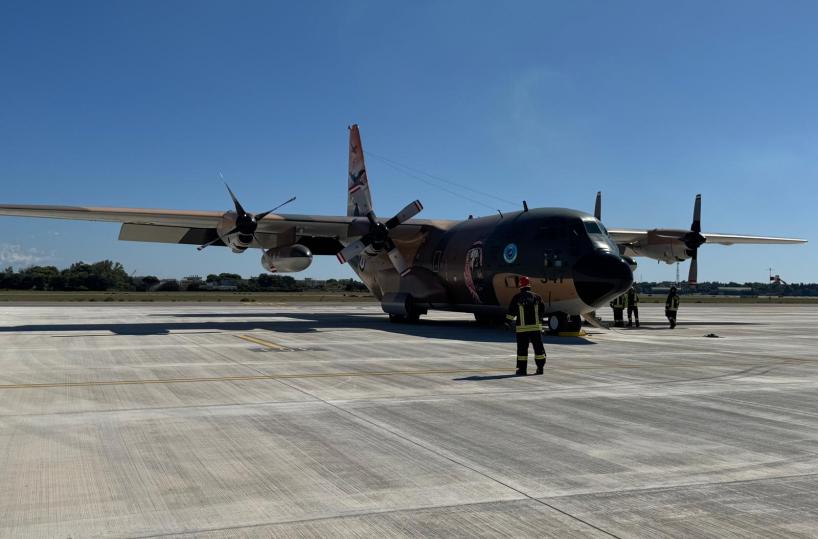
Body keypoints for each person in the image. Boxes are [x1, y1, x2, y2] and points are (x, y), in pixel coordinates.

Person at [505, 276, 547, 376]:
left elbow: (511, 312)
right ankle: (540, 369)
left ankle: (522, 370)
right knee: (538, 349)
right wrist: (538, 319)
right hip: (535, 328)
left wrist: (507, 322)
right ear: (529, 285)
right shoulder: (537, 297)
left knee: (522, 350)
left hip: (522, 330)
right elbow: (542, 310)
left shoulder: (517, 297)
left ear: (520, 286)